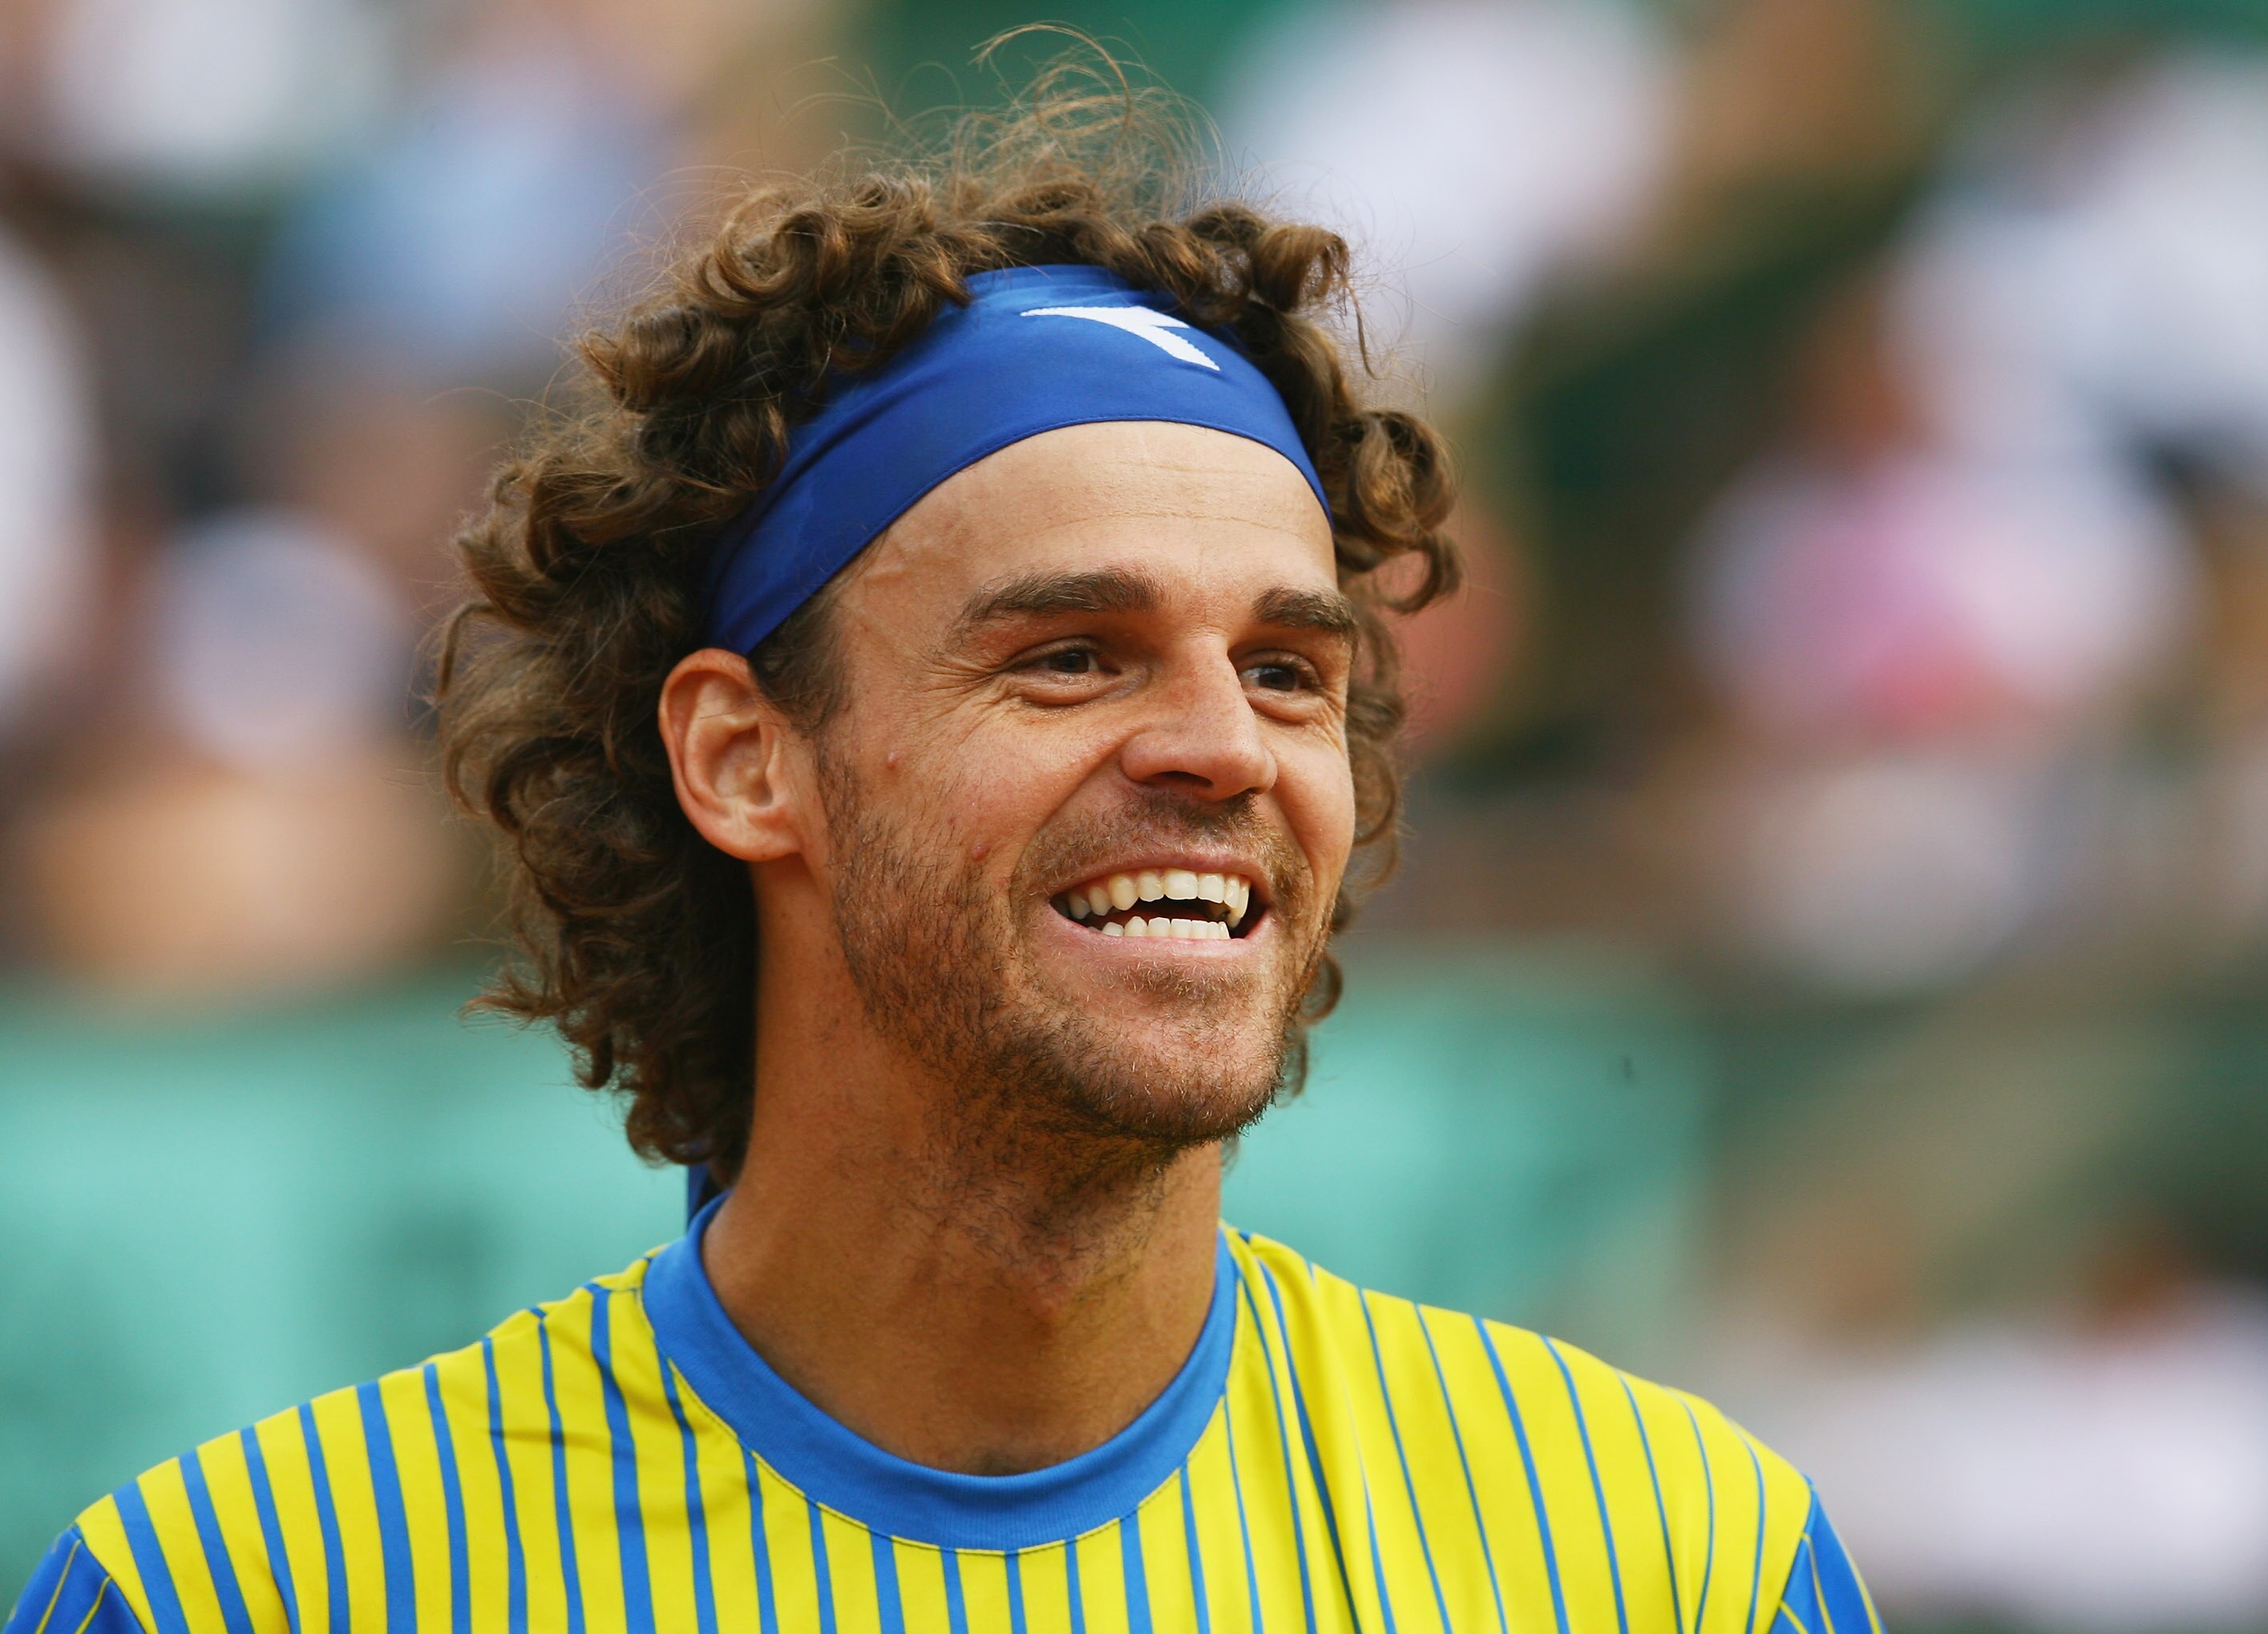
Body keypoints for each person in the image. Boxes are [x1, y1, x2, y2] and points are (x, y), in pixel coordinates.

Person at [6, 87, 1882, 1634]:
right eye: (1070, 654)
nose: (1226, 745)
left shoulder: (1672, 1559)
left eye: (1287, 671)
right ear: (743, 757)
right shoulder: (254, 1585)